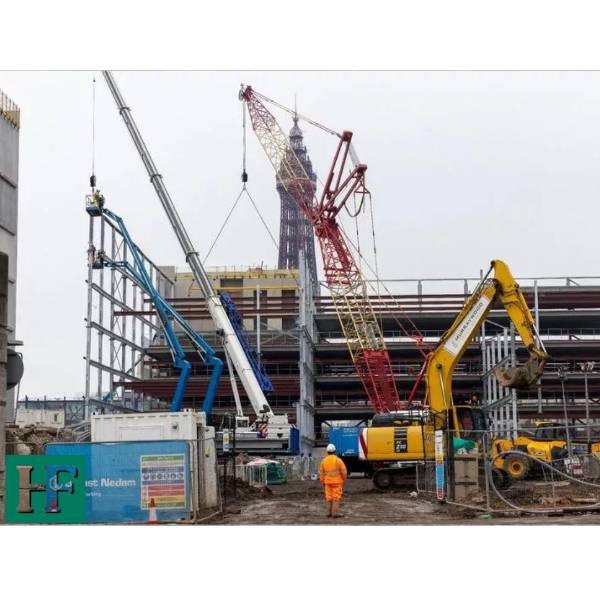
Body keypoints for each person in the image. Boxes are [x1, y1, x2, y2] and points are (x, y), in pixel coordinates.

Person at [319, 444, 348, 518]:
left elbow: (321, 473)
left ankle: (329, 513)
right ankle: (335, 514)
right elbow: (344, 471)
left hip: (327, 483)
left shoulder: (323, 461)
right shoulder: (338, 460)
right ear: (335, 451)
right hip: (337, 482)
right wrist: (343, 479)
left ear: (327, 452)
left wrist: (323, 482)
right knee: (336, 498)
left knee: (329, 498)